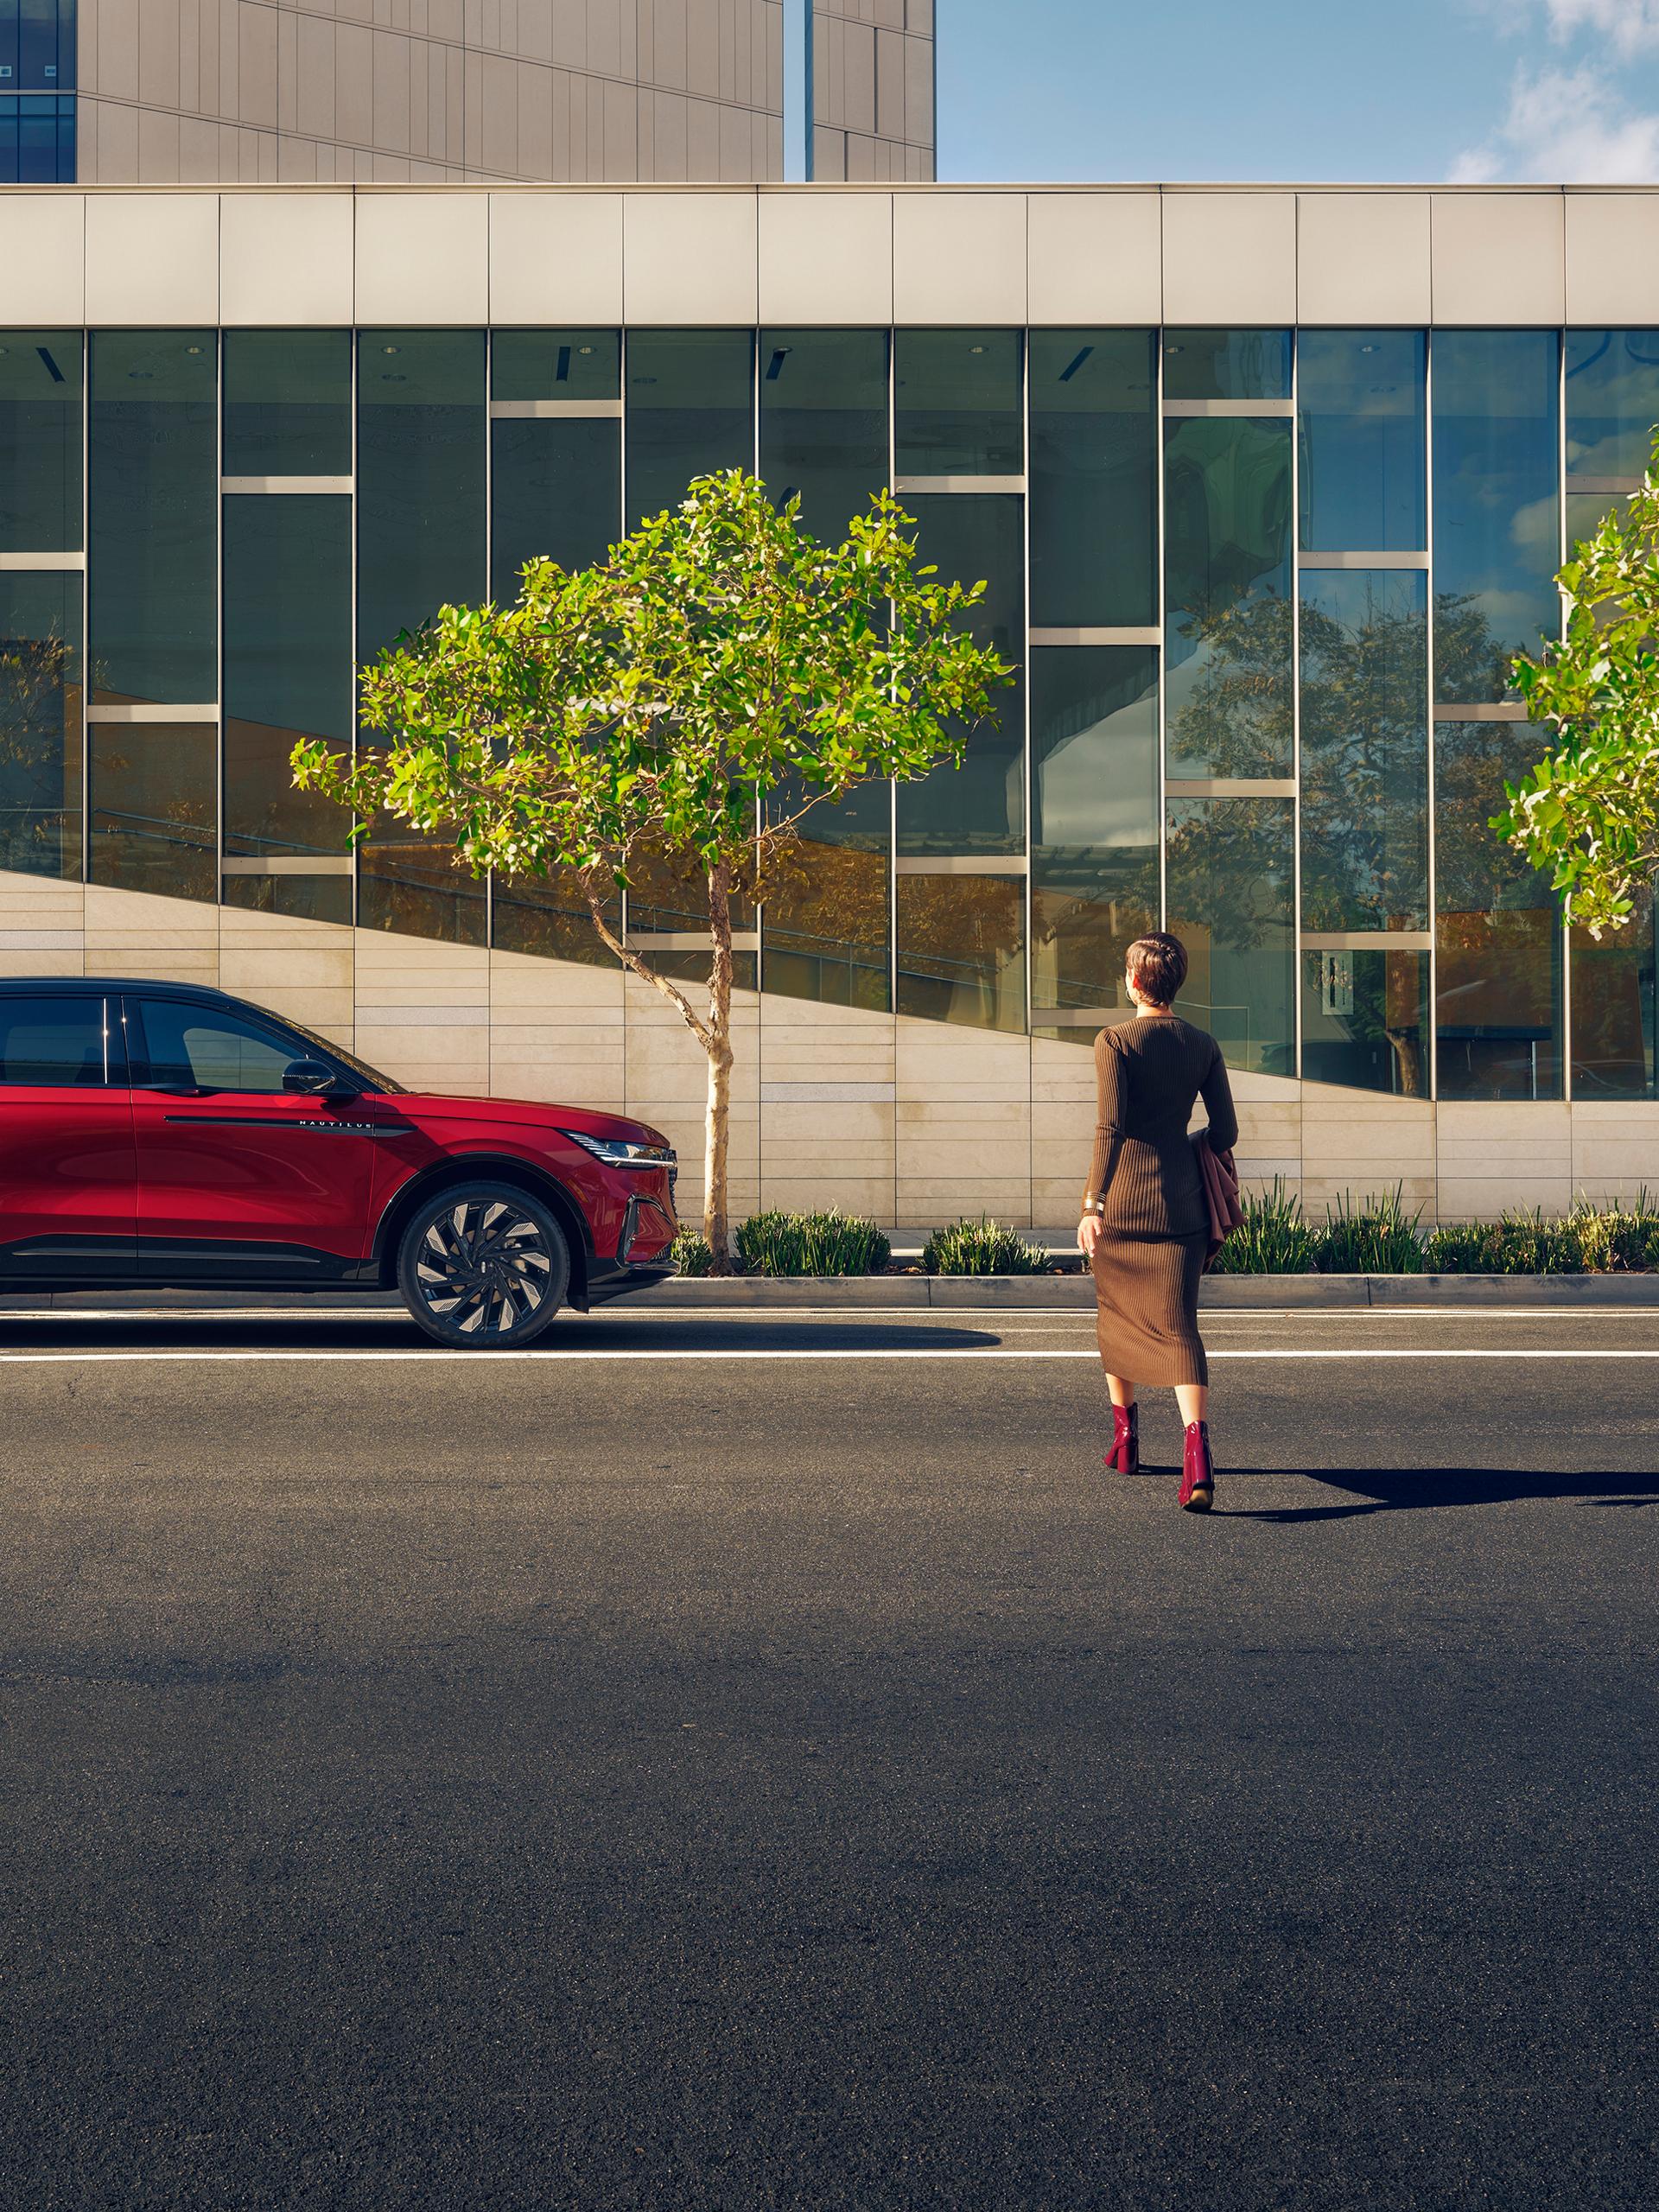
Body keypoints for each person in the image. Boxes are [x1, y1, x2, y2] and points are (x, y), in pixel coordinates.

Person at [1077, 932, 1238, 1512]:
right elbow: (1225, 1134)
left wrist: (1092, 1204)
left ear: (1135, 982)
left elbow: (1110, 1129)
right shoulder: (1203, 1045)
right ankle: (1197, 1457)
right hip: (1182, 1208)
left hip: (1123, 1205)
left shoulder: (1114, 1040)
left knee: (1116, 1318)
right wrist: (1185, 1142)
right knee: (1180, 1329)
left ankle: (1127, 1441)